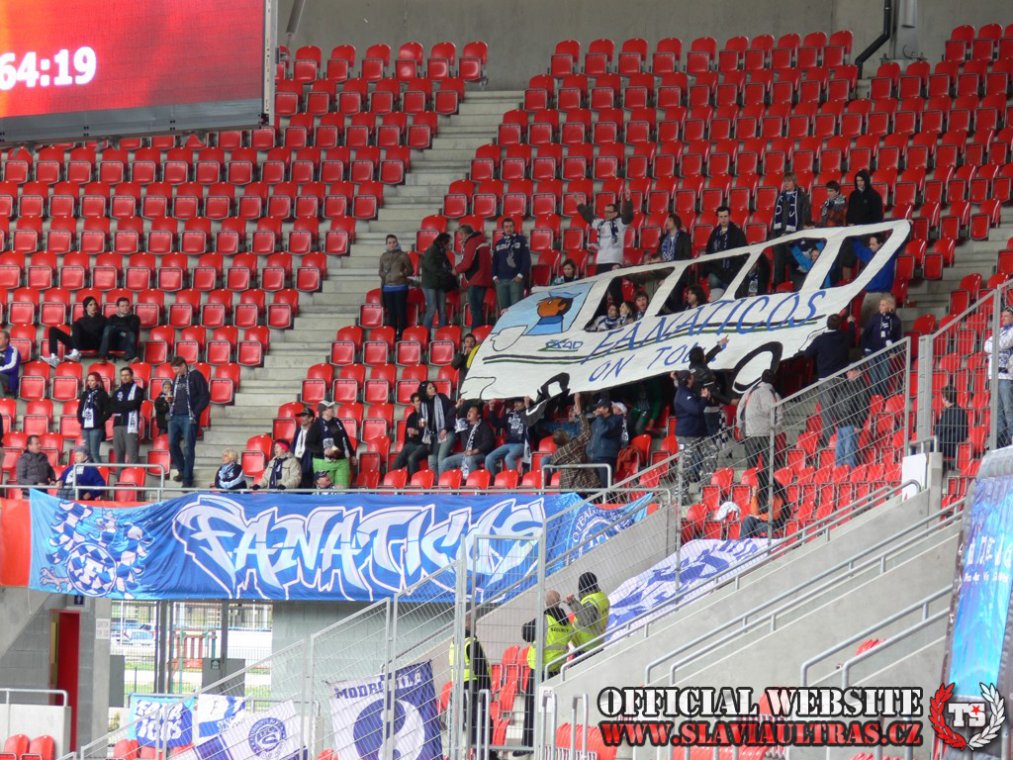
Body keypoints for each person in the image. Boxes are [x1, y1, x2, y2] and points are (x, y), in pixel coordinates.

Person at [520, 590, 573, 751]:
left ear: (546, 603)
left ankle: (528, 744)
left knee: (531, 705)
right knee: (548, 708)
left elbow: (526, 634)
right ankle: (546, 742)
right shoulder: (566, 622)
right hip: (556, 670)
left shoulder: (544, 619)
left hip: (540, 670)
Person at [448, 619, 498, 760]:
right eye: (473, 625)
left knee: (471, 723)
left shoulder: (453, 643)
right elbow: (481, 669)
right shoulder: (471, 643)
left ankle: (476, 753)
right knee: (483, 721)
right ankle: (485, 754)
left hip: (459, 688)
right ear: (470, 626)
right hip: (474, 687)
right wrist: (487, 690)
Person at [803, 314, 854, 447]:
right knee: (842, 410)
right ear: (839, 325)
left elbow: (807, 354)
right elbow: (853, 338)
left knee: (827, 411)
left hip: (825, 380)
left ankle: (829, 440)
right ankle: (841, 438)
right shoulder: (844, 336)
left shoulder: (820, 339)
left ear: (827, 324)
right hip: (842, 379)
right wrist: (851, 323)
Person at [736, 370, 782, 506]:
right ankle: (767, 490)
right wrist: (777, 430)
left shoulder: (750, 391)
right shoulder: (774, 394)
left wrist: (740, 425)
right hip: (767, 434)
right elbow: (778, 413)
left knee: (751, 465)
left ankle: (751, 491)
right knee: (769, 464)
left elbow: (740, 407)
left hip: (750, 433)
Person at [167, 357, 210, 488]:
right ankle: (182, 470)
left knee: (188, 448)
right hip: (175, 415)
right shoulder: (177, 378)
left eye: (176, 368)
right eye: (173, 369)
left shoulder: (196, 375)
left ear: (183, 365)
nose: (174, 371)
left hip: (189, 416)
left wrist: (195, 412)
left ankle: (187, 478)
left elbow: (205, 396)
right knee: (171, 444)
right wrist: (170, 400)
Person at [547, 395, 599, 493]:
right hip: (579, 485)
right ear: (566, 437)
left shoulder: (557, 454)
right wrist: (580, 414)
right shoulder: (573, 445)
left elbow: (552, 463)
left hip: (564, 486)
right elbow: (586, 432)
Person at [771, 174, 812, 287]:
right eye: (784, 181)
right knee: (779, 266)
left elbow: (805, 219)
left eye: (789, 181)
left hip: (794, 239)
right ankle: (778, 291)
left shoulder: (802, 197)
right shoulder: (780, 198)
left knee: (796, 266)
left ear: (794, 182)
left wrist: (794, 236)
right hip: (779, 238)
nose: (786, 184)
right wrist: (774, 237)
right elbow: (775, 219)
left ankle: (797, 289)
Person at [44, 295, 106, 367]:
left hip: (94, 343)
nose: (94, 306)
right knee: (53, 330)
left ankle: (75, 352)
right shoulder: (81, 320)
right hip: (80, 343)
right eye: (91, 305)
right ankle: (53, 356)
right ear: (86, 308)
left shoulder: (102, 319)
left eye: (95, 304)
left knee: (76, 324)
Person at [306, 400, 355, 488]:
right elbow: (309, 444)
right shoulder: (316, 425)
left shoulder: (337, 422)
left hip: (341, 460)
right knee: (325, 491)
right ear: (323, 411)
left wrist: (352, 454)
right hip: (323, 462)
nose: (333, 410)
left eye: (332, 407)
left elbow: (344, 439)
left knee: (342, 490)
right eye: (330, 408)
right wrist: (323, 451)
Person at [673, 370, 710, 486]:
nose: (693, 379)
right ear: (688, 379)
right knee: (685, 466)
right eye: (692, 377)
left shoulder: (689, 392)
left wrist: (703, 399)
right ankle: (681, 495)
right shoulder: (684, 394)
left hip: (697, 433)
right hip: (687, 435)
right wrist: (703, 398)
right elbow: (696, 409)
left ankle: (703, 485)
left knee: (708, 455)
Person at [861, 294, 903, 398]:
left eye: (883, 305)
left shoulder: (896, 321)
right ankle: (874, 398)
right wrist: (864, 350)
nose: (880, 307)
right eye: (880, 305)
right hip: (872, 350)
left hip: (886, 351)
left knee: (884, 375)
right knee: (874, 376)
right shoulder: (875, 318)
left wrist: (894, 351)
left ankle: (882, 398)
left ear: (890, 306)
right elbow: (866, 334)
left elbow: (897, 338)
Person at [439, 403, 495, 476]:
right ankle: (451, 483)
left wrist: (474, 451)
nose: (469, 412)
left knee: (469, 459)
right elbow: (449, 418)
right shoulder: (463, 424)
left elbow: (488, 442)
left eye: (472, 411)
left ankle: (472, 483)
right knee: (445, 462)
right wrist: (457, 406)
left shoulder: (484, 426)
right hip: (466, 454)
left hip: (481, 454)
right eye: (469, 411)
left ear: (478, 415)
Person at [703, 207, 748, 296]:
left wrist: (733, 269)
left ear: (729, 216)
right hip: (716, 272)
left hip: (732, 272)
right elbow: (709, 252)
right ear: (718, 218)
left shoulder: (737, 233)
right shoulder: (714, 233)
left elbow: (743, 253)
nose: (723, 219)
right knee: (713, 285)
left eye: (725, 216)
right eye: (721, 217)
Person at [985, 306, 1013, 447]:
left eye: (1006, 316)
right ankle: (1001, 442)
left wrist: (995, 346)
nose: (1003, 319)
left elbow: (1006, 343)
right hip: (994, 376)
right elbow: (986, 345)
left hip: (1007, 376)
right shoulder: (999, 332)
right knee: (998, 412)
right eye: (1002, 316)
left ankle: (1011, 439)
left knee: (1008, 409)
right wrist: (996, 345)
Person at [455, 224, 493, 328]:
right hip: (484, 279)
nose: (460, 238)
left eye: (460, 235)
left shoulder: (472, 242)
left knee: (475, 311)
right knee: (478, 309)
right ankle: (478, 333)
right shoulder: (481, 240)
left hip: (476, 279)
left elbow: (467, 263)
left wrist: (456, 269)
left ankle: (475, 334)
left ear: (464, 234)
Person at [854, 235, 897, 325]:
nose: (870, 246)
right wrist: (852, 234)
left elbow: (900, 241)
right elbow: (857, 247)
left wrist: (908, 227)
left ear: (880, 244)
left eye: (873, 244)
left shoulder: (889, 253)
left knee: (882, 324)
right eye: (870, 244)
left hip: (884, 294)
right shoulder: (868, 254)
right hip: (869, 295)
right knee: (865, 325)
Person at [566, 572, 609, 659]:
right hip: (597, 643)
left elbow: (587, 620)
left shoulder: (590, 600)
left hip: (587, 648)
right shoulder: (602, 596)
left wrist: (572, 603)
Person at [378, 233, 413, 339]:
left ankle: (402, 334)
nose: (392, 244)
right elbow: (380, 270)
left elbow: (411, 270)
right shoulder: (383, 256)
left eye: (394, 242)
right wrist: (383, 274)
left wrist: (402, 274)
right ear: (386, 244)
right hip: (387, 288)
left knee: (401, 311)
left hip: (400, 287)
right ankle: (392, 334)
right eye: (389, 243)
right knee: (391, 313)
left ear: (397, 243)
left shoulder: (403, 255)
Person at [492, 218, 531, 313]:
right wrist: (494, 276)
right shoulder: (498, 243)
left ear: (514, 227)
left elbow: (526, 260)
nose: (508, 229)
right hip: (501, 280)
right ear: (503, 229)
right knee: (503, 310)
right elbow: (494, 261)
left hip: (515, 280)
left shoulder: (521, 240)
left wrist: (520, 275)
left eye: (510, 226)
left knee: (516, 309)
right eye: (506, 227)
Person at [834, 368, 870, 468]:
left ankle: (849, 472)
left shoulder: (861, 386)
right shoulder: (847, 385)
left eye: (850, 371)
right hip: (842, 422)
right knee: (840, 452)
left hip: (851, 422)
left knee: (849, 451)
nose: (847, 373)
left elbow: (864, 406)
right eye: (847, 371)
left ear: (858, 372)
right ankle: (840, 472)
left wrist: (859, 424)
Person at [420, 232, 456, 332]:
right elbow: (431, 267)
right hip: (430, 284)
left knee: (442, 310)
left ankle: (442, 333)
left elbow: (446, 265)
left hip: (440, 284)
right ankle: (425, 334)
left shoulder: (441, 251)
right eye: (448, 243)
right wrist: (446, 272)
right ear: (443, 242)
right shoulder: (432, 251)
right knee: (432, 309)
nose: (449, 245)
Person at [485, 397, 530, 475]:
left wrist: (528, 407)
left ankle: (514, 479)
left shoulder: (528, 413)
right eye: (515, 402)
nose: (515, 404)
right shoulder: (510, 414)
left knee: (508, 458)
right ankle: (492, 480)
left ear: (524, 403)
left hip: (521, 444)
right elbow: (497, 423)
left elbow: (532, 421)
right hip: (508, 444)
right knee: (489, 458)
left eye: (518, 402)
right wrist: (491, 409)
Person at [587, 396, 623, 488]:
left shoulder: (616, 419)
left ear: (606, 409)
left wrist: (599, 417)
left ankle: (608, 502)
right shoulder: (596, 422)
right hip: (593, 457)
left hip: (605, 457)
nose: (597, 410)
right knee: (595, 486)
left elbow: (603, 430)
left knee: (605, 486)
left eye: (599, 408)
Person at [421, 381, 457, 473]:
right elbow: (420, 419)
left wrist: (445, 429)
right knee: (431, 460)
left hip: (448, 431)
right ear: (425, 392)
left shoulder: (442, 398)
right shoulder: (423, 404)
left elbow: (451, 414)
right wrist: (421, 423)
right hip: (434, 435)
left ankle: (442, 484)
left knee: (441, 459)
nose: (433, 388)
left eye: (433, 387)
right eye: (430, 388)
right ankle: (434, 484)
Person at [110, 367, 143, 464]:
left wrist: (120, 405)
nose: (124, 377)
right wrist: (126, 404)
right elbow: (112, 407)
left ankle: (134, 478)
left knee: (132, 454)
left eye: (127, 375)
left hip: (130, 425)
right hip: (117, 425)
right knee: (118, 455)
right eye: (122, 375)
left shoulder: (138, 390)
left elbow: (134, 405)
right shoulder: (117, 392)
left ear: (132, 376)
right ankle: (119, 478)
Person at [392, 392, 430, 476]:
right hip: (412, 444)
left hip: (425, 444)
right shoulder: (411, 417)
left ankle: (414, 482)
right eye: (417, 401)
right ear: (412, 403)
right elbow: (407, 436)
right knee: (396, 463)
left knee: (411, 458)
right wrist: (410, 434)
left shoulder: (427, 414)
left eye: (420, 400)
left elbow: (428, 433)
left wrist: (416, 432)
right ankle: (394, 480)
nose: (419, 402)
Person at [78, 371, 110, 464]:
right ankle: (90, 474)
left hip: (96, 427)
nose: (90, 382)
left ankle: (100, 473)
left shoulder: (103, 394)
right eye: (89, 380)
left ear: (97, 381)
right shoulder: (85, 393)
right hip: (85, 426)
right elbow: (80, 409)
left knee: (94, 452)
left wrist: (99, 422)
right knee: (87, 453)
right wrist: (80, 419)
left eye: (92, 380)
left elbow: (108, 411)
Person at [935, 386, 969, 471]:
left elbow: (960, 435)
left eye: (943, 397)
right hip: (943, 443)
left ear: (946, 398)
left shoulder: (959, 412)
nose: (942, 400)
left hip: (952, 446)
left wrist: (943, 439)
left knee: (929, 446)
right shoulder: (946, 412)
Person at [99, 297, 141, 362]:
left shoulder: (134, 318)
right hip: (113, 342)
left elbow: (132, 329)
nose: (125, 308)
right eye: (122, 306)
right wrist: (123, 329)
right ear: (118, 307)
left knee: (131, 333)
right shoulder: (112, 317)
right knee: (108, 329)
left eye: (127, 305)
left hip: (126, 342)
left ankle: (130, 356)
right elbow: (108, 329)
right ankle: (103, 355)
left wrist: (116, 327)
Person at [290, 406, 316, 488]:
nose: (301, 418)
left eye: (304, 416)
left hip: (308, 464)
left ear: (311, 418)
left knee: (307, 489)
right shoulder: (298, 430)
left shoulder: (315, 431)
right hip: (297, 461)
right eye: (301, 416)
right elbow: (294, 444)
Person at [0, 330, 20, 398]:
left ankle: (1, 401)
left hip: (9, 378)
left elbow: (12, 366)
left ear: (6, 340)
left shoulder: (13, 350)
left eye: (0, 338)